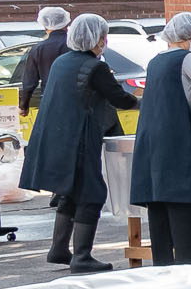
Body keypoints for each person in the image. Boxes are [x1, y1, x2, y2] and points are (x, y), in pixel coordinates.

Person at [21, 14, 139, 274]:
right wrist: (147, 102)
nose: (104, 41)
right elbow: (118, 98)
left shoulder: (63, 62)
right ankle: (82, 257)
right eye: (103, 36)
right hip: (79, 138)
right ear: (96, 38)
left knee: (70, 192)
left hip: (55, 136)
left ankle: (60, 249)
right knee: (91, 193)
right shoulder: (94, 67)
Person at [131, 13, 191, 266]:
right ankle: (187, 262)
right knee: (180, 200)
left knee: (159, 203)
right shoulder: (187, 59)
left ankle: (162, 264)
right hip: (176, 138)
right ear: (188, 37)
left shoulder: (155, 61)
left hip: (152, 139)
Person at [13, 6, 71, 116]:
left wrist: (24, 105)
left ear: (45, 25)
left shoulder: (38, 49)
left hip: (50, 100)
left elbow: (30, 81)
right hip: (77, 100)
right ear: (66, 23)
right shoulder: (76, 45)